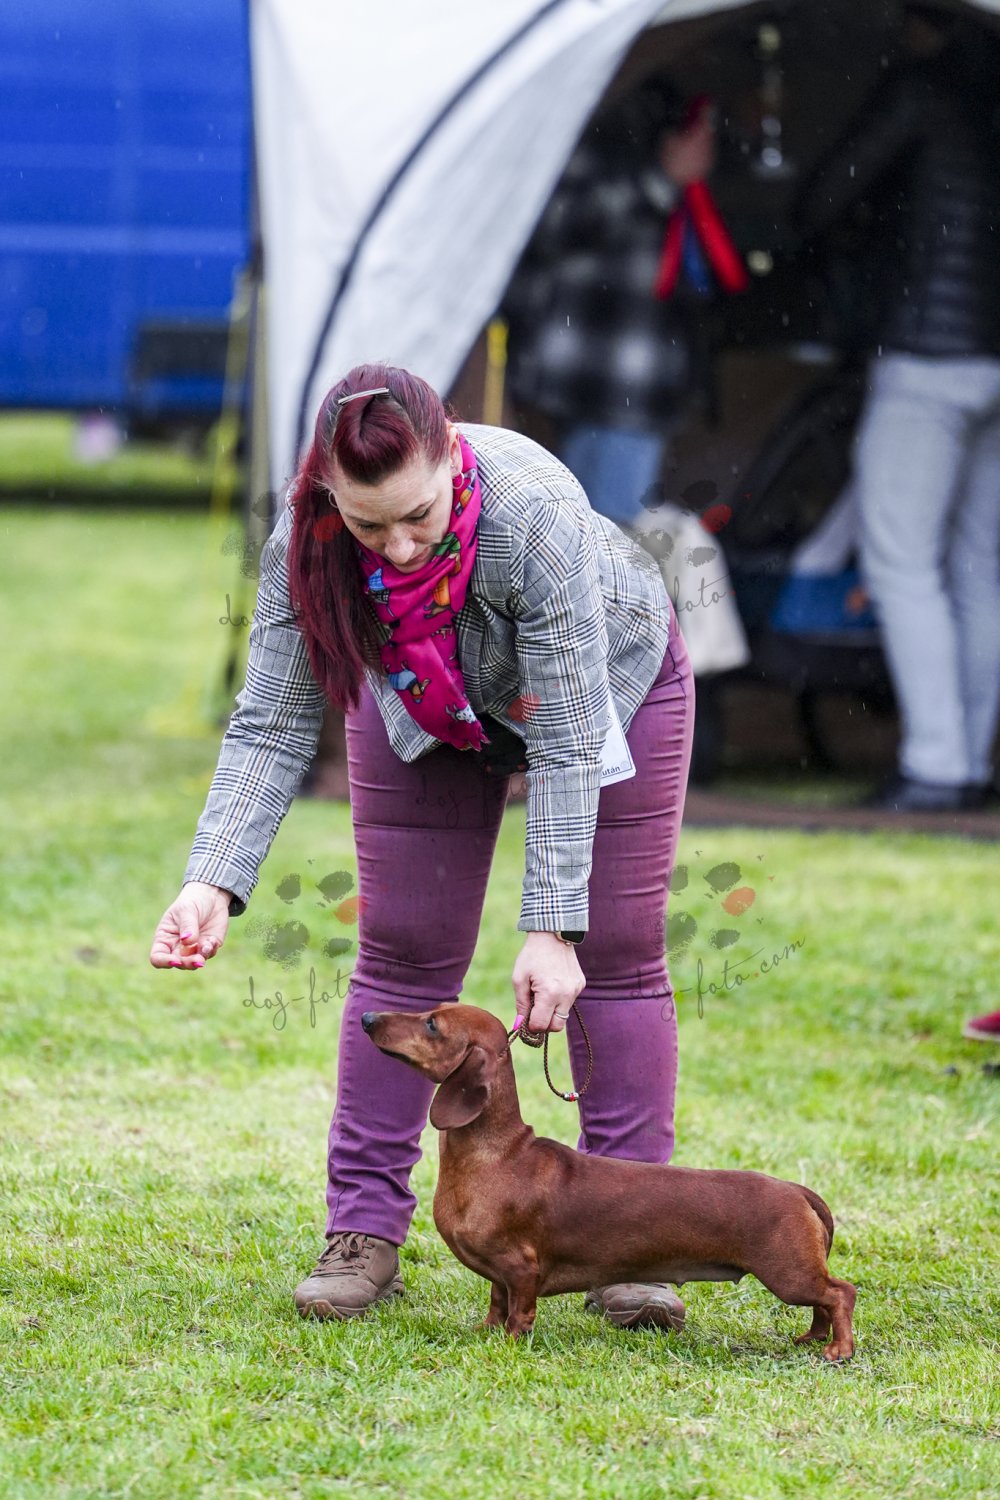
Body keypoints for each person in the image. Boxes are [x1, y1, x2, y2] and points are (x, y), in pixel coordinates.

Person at [150, 363, 695, 1328]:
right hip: (422, 707)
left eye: (419, 516)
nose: (400, 547)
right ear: (329, 494)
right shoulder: (304, 544)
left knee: (612, 951)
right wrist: (212, 882)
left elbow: (568, 735)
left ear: (451, 453)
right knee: (404, 948)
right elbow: (271, 724)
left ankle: (637, 1242)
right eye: (370, 526)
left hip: (611, 686)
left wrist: (553, 928)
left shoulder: (534, 514)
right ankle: (362, 1233)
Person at [796, 3, 1000, 813]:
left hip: (926, 355)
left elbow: (823, 196)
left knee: (901, 561)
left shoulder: (920, 89)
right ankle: (972, 758)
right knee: (979, 567)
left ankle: (935, 765)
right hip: (996, 359)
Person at [504, 79, 744, 529]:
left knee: (594, 532)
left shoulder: (663, 109)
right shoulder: (582, 116)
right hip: (591, 376)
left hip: (637, 380)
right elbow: (550, 224)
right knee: (595, 537)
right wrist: (659, 180)